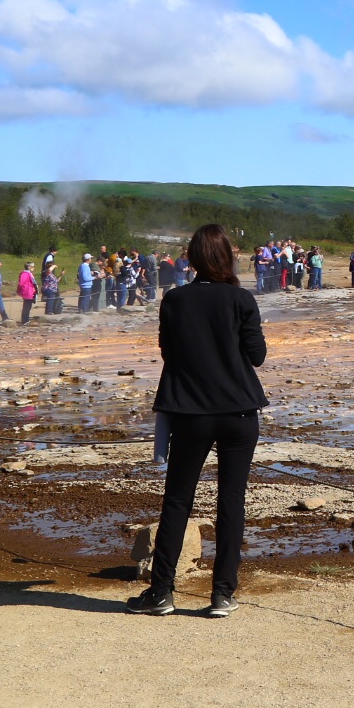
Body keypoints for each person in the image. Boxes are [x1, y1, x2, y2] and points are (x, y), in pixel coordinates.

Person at [128, 224, 268, 620]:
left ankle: (161, 594)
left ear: (191, 258)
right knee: (231, 501)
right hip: (239, 412)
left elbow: (168, 354)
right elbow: (256, 356)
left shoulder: (175, 300)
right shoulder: (242, 299)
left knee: (177, 501)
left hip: (191, 413)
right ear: (227, 258)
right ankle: (223, 594)